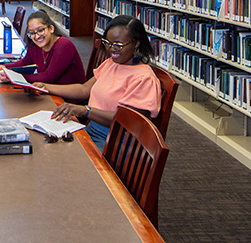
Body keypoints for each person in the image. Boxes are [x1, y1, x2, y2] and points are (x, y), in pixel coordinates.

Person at [34, 15, 161, 152]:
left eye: (118, 45)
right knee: (41, 143)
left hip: (116, 142)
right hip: (91, 128)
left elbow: (127, 121)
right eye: (108, 43)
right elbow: (84, 89)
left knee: (57, 154)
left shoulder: (144, 78)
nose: (112, 49)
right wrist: (46, 87)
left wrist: (85, 110)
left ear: (136, 43)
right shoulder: (112, 63)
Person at [0, 10, 85, 85]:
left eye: (40, 30)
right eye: (32, 33)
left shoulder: (64, 45)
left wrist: (15, 77)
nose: (37, 36)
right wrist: (4, 67)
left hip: (68, 99)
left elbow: (49, 77)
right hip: (50, 91)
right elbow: (25, 61)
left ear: (51, 28)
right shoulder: (35, 45)